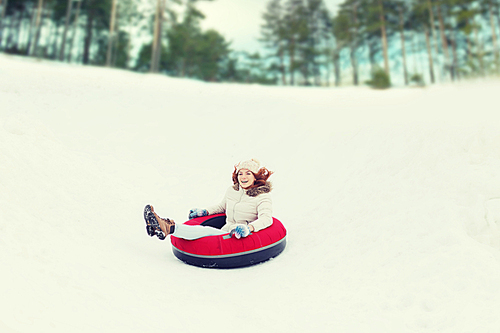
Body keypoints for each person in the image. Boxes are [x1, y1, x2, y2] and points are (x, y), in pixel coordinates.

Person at [143, 159, 273, 240]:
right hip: (227, 229)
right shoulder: (232, 191)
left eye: (248, 173)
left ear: (255, 177)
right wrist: (204, 212)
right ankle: (160, 227)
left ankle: (168, 227)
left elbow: (266, 219)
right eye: (240, 173)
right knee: (204, 234)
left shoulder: (262, 196)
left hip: (242, 235)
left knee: (205, 232)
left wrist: (248, 228)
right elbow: (222, 207)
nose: (243, 177)